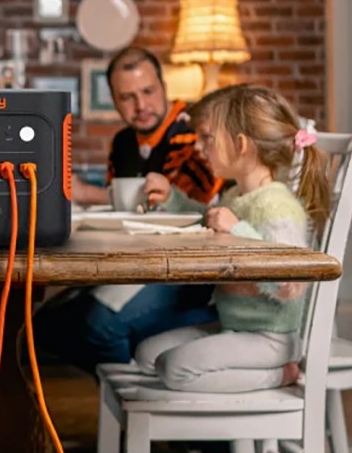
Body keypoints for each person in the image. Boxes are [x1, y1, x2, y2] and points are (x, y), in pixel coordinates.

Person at [34, 46, 223, 375]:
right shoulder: (123, 142)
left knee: (94, 325)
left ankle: (135, 400)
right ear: (114, 99)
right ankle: (126, 395)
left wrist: (85, 193)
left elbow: (180, 210)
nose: (141, 106)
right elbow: (129, 209)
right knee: (43, 324)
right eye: (127, 97)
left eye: (148, 92)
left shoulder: (193, 132)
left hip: (191, 269)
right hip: (138, 262)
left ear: (164, 87)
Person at [133, 83, 330, 392]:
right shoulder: (238, 195)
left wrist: (237, 231)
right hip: (234, 326)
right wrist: (173, 198)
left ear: (240, 144)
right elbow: (210, 224)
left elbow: (290, 285)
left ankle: (283, 375)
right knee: (145, 356)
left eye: (208, 138)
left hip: (270, 337)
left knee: (171, 368)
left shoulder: (277, 205)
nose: (199, 147)